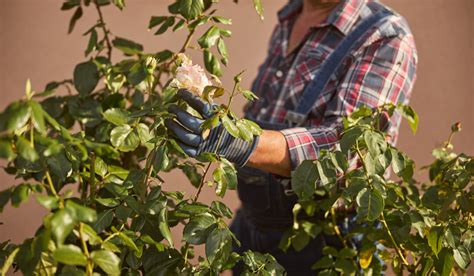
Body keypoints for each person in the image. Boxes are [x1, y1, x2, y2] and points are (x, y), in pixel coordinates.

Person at [166, 0, 418, 274]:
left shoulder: (384, 34)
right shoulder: (291, 15)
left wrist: (241, 141)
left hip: (325, 243)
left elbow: (348, 148)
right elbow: (269, 110)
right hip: (255, 226)